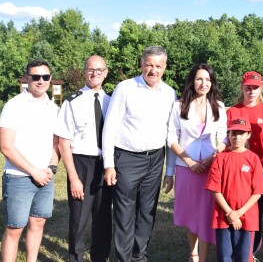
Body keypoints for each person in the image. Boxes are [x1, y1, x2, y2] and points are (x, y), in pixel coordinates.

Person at [102, 46, 177, 262]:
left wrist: (169, 171)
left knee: (147, 212)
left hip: (155, 159)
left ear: (164, 67)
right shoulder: (125, 88)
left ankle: (139, 256)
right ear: (141, 65)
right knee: (125, 213)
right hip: (126, 158)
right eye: (149, 65)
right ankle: (123, 259)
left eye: (158, 66)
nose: (153, 70)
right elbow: (110, 126)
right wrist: (109, 164)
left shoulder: (169, 93)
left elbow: (171, 134)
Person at [0, 59, 60, 262]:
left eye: (45, 77)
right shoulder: (14, 105)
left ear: (50, 79)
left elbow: (56, 143)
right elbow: (6, 147)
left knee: (38, 222)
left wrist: (51, 167)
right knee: (15, 227)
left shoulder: (54, 108)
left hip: (46, 177)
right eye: (35, 77)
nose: (41, 81)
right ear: (27, 79)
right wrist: (34, 171)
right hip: (19, 177)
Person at [166, 63, 227, 262]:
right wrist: (189, 161)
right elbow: (171, 137)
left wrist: (212, 157)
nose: (204, 83)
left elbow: (225, 138)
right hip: (186, 168)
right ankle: (193, 254)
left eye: (208, 80)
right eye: (200, 79)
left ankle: (204, 256)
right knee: (190, 213)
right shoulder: (179, 105)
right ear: (192, 81)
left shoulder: (218, 106)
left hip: (210, 168)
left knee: (206, 214)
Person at [56, 55, 112, 262]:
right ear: (84, 72)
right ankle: (76, 258)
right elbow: (63, 142)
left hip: (106, 164)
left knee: (104, 216)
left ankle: (100, 257)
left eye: (99, 70)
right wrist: (74, 177)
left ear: (106, 73)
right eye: (90, 69)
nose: (95, 73)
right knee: (79, 218)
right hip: (81, 163)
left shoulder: (112, 101)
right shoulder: (72, 102)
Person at [226, 71, 263, 260]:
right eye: (248, 87)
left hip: (260, 172)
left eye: (255, 87)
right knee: (234, 210)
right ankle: (233, 249)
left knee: (254, 213)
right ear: (242, 87)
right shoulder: (232, 111)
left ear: (261, 88)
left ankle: (251, 252)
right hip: (235, 171)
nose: (252, 91)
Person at [205, 116, 263, 262]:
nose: (237, 137)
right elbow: (215, 189)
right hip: (223, 216)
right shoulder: (221, 157)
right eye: (233, 133)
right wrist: (229, 213)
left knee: (244, 257)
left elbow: (258, 191)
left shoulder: (253, 158)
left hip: (246, 216)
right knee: (224, 256)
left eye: (241, 133)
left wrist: (239, 213)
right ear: (228, 134)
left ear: (248, 135)